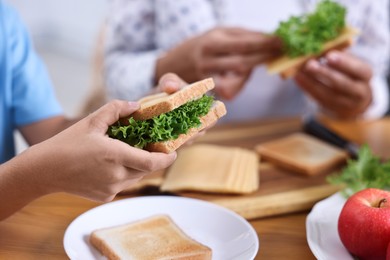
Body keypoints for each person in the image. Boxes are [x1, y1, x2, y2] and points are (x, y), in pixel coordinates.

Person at [0, 2, 186, 221]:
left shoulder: (5, 20)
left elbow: (50, 131)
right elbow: (44, 165)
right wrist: (36, 178)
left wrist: (141, 112)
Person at [104, 0, 390, 121]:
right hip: (183, 159)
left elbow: (375, 71)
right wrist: (167, 66)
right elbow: (113, 70)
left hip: (308, 147)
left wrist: (367, 101)